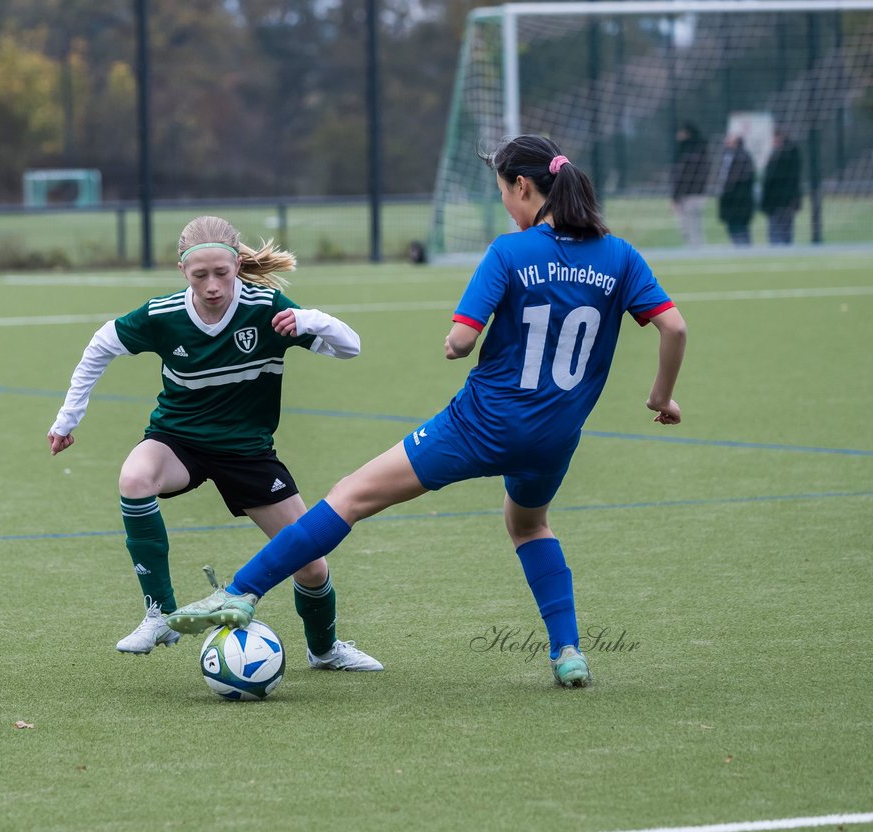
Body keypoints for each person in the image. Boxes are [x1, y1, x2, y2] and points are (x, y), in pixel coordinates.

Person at [166, 137, 687, 689]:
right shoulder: (620, 255)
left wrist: (453, 341)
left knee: (350, 495)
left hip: (477, 427)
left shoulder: (510, 253)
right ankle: (568, 652)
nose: (507, 205)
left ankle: (242, 591)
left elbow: (461, 341)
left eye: (504, 193)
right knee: (529, 524)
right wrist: (660, 396)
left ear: (524, 188)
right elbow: (673, 326)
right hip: (555, 436)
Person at [48, 215, 383, 671]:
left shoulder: (266, 307)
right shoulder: (162, 315)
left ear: (238, 264)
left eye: (221, 273)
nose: (211, 285)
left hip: (248, 452)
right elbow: (100, 345)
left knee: (312, 565)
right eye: (199, 275)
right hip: (178, 440)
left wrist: (311, 319)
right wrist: (68, 418)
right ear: (182, 271)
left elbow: (351, 348)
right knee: (135, 476)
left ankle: (325, 650)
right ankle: (159, 614)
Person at [671, 121, 712, 247]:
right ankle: (696, 245)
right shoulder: (701, 151)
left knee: (690, 223)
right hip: (696, 193)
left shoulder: (687, 153)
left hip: (689, 194)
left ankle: (695, 247)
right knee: (692, 223)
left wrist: (676, 196)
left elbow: (681, 176)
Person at [760, 130, 802, 245]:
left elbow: (770, 180)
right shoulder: (793, 154)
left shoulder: (779, 156)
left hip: (777, 201)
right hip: (788, 201)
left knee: (776, 232)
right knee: (786, 232)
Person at [716, 134, 755, 246]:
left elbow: (738, 180)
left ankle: (744, 250)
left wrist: (727, 190)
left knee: (739, 229)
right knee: (735, 228)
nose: (726, 143)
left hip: (738, 202)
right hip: (732, 202)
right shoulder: (728, 156)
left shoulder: (741, 157)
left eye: (729, 141)